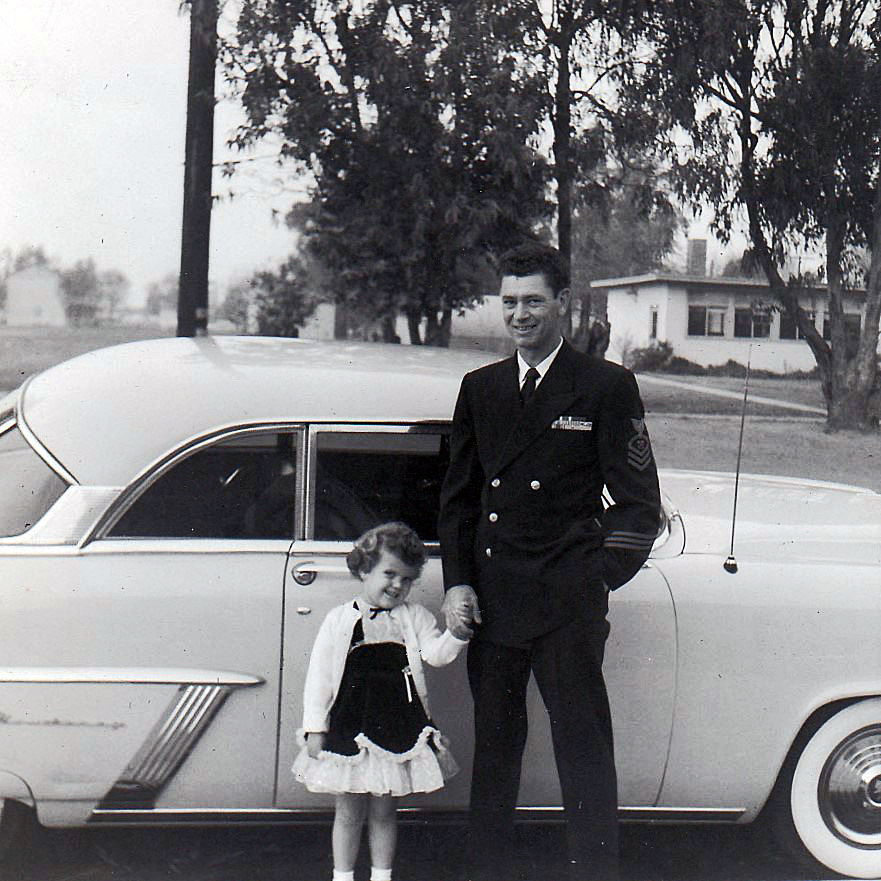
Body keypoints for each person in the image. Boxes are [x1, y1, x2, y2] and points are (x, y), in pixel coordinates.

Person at [438, 242, 661, 881]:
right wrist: (457, 584)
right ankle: (488, 870)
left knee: (583, 748)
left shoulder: (604, 386)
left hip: (567, 605)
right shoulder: (479, 389)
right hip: (496, 599)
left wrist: (595, 576)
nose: (519, 314)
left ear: (563, 303)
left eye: (533, 300)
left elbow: (639, 503)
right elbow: (458, 502)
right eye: (509, 302)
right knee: (496, 750)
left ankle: (594, 870)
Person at [292, 522, 469, 881]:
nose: (397, 586)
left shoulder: (414, 617)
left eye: (406, 579)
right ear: (363, 569)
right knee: (348, 811)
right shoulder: (340, 620)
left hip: (397, 726)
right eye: (389, 574)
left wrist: (457, 635)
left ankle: (381, 876)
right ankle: (342, 876)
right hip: (349, 726)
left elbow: (435, 654)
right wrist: (314, 727)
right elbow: (320, 679)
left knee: (386, 811)